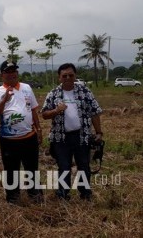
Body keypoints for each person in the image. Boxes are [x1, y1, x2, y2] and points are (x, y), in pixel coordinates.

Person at [41, 63, 103, 201]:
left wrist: (99, 132)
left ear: (75, 76)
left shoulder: (85, 92)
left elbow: (95, 112)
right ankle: (62, 194)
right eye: (64, 75)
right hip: (60, 138)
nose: (68, 78)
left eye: (71, 75)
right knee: (64, 167)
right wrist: (56, 110)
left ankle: (85, 194)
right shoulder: (53, 93)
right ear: (59, 78)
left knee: (84, 167)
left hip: (82, 137)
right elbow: (44, 114)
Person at [0, 60, 43, 204]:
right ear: (2, 75)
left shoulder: (26, 88)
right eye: (8, 71)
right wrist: (4, 100)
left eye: (14, 71)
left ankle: (35, 194)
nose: (12, 74)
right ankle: (13, 197)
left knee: (31, 168)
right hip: (8, 139)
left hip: (29, 136)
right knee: (11, 169)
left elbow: (33, 110)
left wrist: (39, 129)